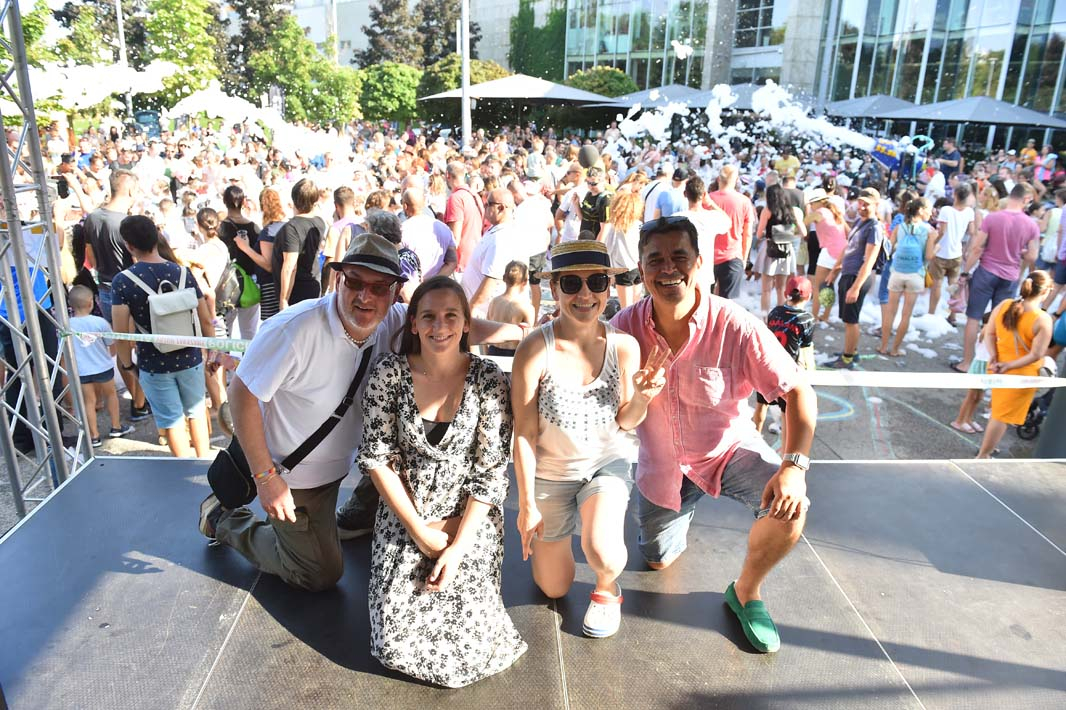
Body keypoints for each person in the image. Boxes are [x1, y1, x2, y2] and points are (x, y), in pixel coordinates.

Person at [199, 233, 525, 590]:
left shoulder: (393, 319)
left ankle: (355, 515)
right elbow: (242, 393)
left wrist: (519, 332)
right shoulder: (294, 329)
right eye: (355, 282)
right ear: (339, 279)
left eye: (378, 287)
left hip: (351, 461)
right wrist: (266, 478)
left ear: (394, 291)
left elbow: (448, 326)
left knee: (394, 446)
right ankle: (224, 520)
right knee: (318, 573)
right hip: (295, 472)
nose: (365, 296)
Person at [610, 215, 816, 653]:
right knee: (657, 560)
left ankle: (746, 591)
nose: (668, 268)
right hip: (662, 469)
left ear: (700, 262)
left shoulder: (734, 324)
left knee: (790, 507)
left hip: (728, 452)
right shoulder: (623, 329)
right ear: (641, 270)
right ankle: (678, 519)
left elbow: (798, 391)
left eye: (679, 256)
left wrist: (794, 467)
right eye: (656, 259)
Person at [357, 276, 526, 687]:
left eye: (451, 316)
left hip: (469, 520)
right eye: (429, 316)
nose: (439, 326)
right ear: (413, 323)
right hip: (406, 515)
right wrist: (419, 532)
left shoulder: (488, 379)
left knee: (471, 649)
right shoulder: (388, 374)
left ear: (467, 323)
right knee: (393, 643)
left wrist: (456, 546)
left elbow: (491, 473)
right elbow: (377, 460)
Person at [512, 240, 665, 639]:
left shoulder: (623, 346)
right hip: (551, 473)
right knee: (553, 587)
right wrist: (527, 504)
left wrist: (643, 397)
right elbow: (524, 434)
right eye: (571, 283)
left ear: (608, 288)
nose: (585, 294)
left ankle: (607, 587)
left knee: (604, 554)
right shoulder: (534, 350)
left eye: (596, 282)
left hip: (604, 464)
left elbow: (626, 420)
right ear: (555, 288)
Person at [110, 215, 215, 458]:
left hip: (153, 361)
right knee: (197, 411)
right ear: (157, 238)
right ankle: (205, 466)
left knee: (171, 419)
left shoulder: (123, 281)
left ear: (129, 245)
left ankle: (184, 469)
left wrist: (127, 365)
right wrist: (212, 351)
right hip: (190, 356)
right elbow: (205, 318)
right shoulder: (182, 272)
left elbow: (121, 333)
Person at [82, 168, 149, 421]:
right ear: (130, 189)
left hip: (105, 288)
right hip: (130, 291)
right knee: (142, 347)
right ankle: (140, 403)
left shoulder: (93, 217)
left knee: (122, 347)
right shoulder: (127, 223)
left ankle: (137, 399)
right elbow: (139, 261)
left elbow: (90, 258)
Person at [956, 184, 1040, 372]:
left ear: (1010, 196)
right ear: (1026, 199)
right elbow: (1032, 256)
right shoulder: (1031, 225)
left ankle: (967, 362)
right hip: (1010, 276)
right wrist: (1020, 251)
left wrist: (965, 271)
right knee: (1000, 321)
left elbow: (977, 247)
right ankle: (991, 363)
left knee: (973, 317)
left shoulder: (992, 218)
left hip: (986, 271)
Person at [976, 271, 1054, 458]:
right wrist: (1009, 365)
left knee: (998, 411)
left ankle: (988, 448)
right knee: (1001, 417)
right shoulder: (1042, 319)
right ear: (1045, 292)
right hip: (1020, 375)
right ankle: (983, 454)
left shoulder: (1005, 305)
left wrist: (995, 357)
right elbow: (1036, 354)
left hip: (997, 367)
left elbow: (990, 333)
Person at [67, 285, 134, 447]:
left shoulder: (67, 325)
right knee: (111, 395)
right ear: (91, 303)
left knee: (88, 402)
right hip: (103, 366)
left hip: (81, 370)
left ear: (70, 304)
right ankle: (116, 427)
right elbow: (111, 345)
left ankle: (94, 436)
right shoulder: (100, 322)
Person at [826, 188, 885, 370]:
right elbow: (848, 247)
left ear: (876, 205)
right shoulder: (860, 221)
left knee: (851, 320)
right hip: (848, 274)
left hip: (857, 277)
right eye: (860, 203)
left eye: (867, 204)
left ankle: (847, 358)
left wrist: (856, 287)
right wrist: (835, 269)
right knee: (847, 319)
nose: (862, 207)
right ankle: (852, 350)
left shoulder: (874, 227)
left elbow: (869, 260)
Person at [754, 276, 815, 435]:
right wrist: (810, 373)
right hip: (787, 370)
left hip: (768, 364)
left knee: (761, 405)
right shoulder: (806, 319)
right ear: (808, 296)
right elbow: (806, 350)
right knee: (786, 412)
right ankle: (785, 447)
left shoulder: (775, 312)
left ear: (786, 293)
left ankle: (755, 438)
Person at [880, 197, 936, 356]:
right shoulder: (929, 231)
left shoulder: (899, 227)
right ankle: (895, 349)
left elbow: (889, 249)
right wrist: (936, 247)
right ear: (921, 211)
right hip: (915, 275)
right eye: (929, 210)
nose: (931, 213)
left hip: (897, 272)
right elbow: (929, 256)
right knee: (906, 315)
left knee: (890, 312)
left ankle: (883, 346)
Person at [462, 188, 524, 317]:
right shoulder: (495, 229)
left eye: (488, 204)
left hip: (483, 312)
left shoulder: (502, 238)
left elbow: (491, 280)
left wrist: (471, 308)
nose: (485, 207)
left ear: (501, 208)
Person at [274, 178, 327, 311]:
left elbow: (290, 266)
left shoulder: (291, 228)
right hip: (312, 285)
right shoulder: (319, 222)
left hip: (296, 291)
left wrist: (284, 299)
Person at [217, 185, 261, 339]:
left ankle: (225, 356)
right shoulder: (253, 227)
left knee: (224, 331)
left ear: (224, 201)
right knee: (249, 333)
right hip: (250, 283)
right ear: (243, 202)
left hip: (226, 284)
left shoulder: (220, 228)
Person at [708, 164, 756, 299]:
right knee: (728, 303)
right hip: (732, 255)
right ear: (736, 180)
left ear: (719, 179)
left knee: (705, 300)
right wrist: (744, 258)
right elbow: (747, 234)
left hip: (708, 256)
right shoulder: (744, 202)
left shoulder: (708, 200)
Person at [756, 184, 805, 313]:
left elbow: (759, 234)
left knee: (766, 290)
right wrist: (790, 235)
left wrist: (767, 234)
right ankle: (781, 316)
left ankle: (765, 317)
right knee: (781, 288)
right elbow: (803, 232)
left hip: (770, 248)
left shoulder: (767, 210)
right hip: (786, 249)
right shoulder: (792, 210)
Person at [930, 183, 975, 323]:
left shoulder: (946, 210)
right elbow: (972, 232)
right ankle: (953, 315)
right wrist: (967, 249)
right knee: (953, 285)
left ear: (954, 195)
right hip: (957, 252)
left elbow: (942, 231)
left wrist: (933, 243)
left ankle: (931, 314)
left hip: (941, 251)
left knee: (937, 284)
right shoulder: (969, 212)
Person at [806, 188, 847, 323]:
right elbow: (849, 231)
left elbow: (802, 224)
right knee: (828, 285)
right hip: (841, 252)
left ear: (818, 202)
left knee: (818, 287)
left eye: (811, 203)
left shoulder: (819, 213)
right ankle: (826, 315)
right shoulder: (835, 212)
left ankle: (814, 316)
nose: (811, 206)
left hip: (828, 252)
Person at [400, 186, 457, 279]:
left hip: (413, 285)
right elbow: (452, 262)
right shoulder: (443, 228)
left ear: (405, 206)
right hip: (437, 284)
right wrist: (433, 281)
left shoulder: (402, 230)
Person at [951, 312, 991, 435]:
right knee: (971, 396)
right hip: (979, 367)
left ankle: (968, 418)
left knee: (979, 397)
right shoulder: (985, 333)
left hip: (987, 368)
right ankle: (959, 420)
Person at [604, 188, 644, 309]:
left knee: (626, 308)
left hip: (623, 268)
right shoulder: (639, 225)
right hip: (638, 266)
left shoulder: (616, 227)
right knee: (636, 303)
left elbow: (608, 248)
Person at [486, 261, 535, 357]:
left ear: (504, 278)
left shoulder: (494, 302)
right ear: (525, 282)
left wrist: (486, 353)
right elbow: (529, 338)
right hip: (513, 354)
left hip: (493, 351)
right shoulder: (526, 307)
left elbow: (486, 330)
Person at [444, 161, 485, 270]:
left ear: (447, 175)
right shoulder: (475, 196)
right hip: (476, 258)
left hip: (461, 263)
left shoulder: (456, 198)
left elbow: (454, 239)